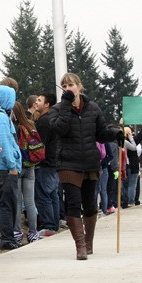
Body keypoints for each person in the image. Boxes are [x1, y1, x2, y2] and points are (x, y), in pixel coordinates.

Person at [49, 73, 122, 260]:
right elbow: (60, 129)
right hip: (67, 162)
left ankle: (89, 243)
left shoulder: (93, 108)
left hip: (90, 162)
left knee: (90, 206)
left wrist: (115, 134)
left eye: (71, 84)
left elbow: (100, 134)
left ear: (79, 86)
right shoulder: (57, 109)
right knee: (73, 204)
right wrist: (66, 105)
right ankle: (80, 247)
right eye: (64, 86)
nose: (67, 88)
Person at [0, 85, 22, 250]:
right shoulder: (0, 118)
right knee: (7, 204)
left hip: (0, 168)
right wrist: (12, 166)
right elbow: (4, 143)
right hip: (5, 169)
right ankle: (7, 238)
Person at [12, 101, 40, 243]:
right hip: (30, 165)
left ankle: (17, 232)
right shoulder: (29, 124)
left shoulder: (13, 127)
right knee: (30, 201)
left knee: (17, 202)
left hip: (17, 166)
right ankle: (33, 233)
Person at [33, 93, 60, 236]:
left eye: (39, 100)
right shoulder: (54, 119)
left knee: (43, 196)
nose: (36, 102)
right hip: (54, 162)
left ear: (47, 104)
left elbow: (39, 143)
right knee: (53, 195)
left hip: (45, 163)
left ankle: (48, 225)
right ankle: (54, 224)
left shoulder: (44, 121)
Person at [123, 119, 142, 206]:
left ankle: (125, 201)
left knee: (124, 185)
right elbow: (141, 134)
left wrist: (120, 124)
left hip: (124, 166)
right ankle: (131, 201)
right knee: (132, 185)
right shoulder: (132, 142)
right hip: (133, 165)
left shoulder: (119, 142)